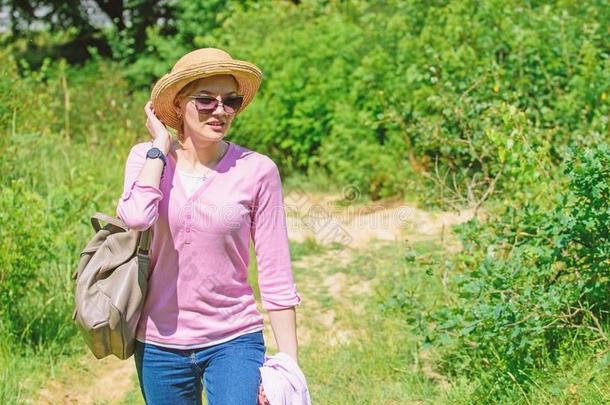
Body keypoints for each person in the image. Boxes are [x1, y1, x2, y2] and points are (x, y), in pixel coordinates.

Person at [116, 48, 302, 405]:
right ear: (179, 103)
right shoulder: (147, 159)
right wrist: (159, 145)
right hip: (158, 343)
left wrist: (289, 363)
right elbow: (137, 217)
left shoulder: (258, 170)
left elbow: (276, 271)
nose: (220, 111)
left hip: (234, 338)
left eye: (230, 101)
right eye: (205, 100)